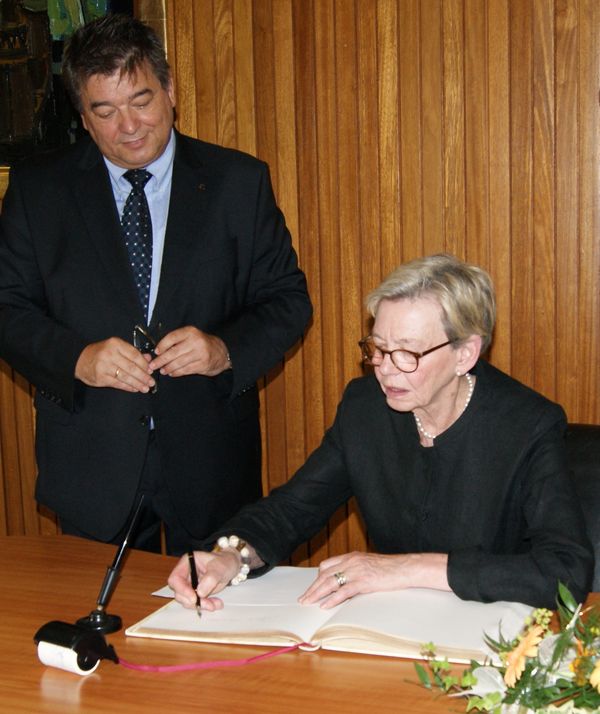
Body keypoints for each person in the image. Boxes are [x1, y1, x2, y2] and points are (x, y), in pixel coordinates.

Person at [0, 14, 312, 554]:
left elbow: (287, 300)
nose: (129, 126)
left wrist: (222, 349)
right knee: (103, 630)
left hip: (210, 458)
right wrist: (78, 358)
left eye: (141, 101)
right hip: (93, 460)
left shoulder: (238, 182)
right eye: (106, 111)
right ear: (83, 117)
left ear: (170, 91)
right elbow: (7, 309)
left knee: (214, 626)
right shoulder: (37, 192)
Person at [169, 254, 593, 609]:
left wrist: (405, 567)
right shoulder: (366, 408)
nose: (386, 369)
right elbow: (294, 508)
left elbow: (565, 571)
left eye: (407, 352)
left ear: (465, 353)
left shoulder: (527, 425)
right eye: (378, 348)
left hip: (490, 630)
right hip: (392, 624)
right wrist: (232, 555)